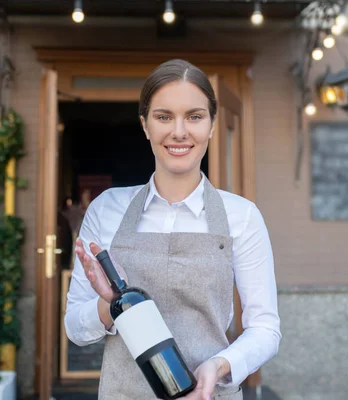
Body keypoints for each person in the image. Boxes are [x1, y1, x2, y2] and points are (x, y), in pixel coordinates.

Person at [65, 59, 281, 400]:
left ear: (211, 125)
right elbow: (75, 327)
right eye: (163, 116)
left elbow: (265, 329)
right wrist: (111, 306)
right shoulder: (107, 209)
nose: (179, 131)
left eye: (194, 116)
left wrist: (219, 366)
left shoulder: (242, 216)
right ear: (145, 125)